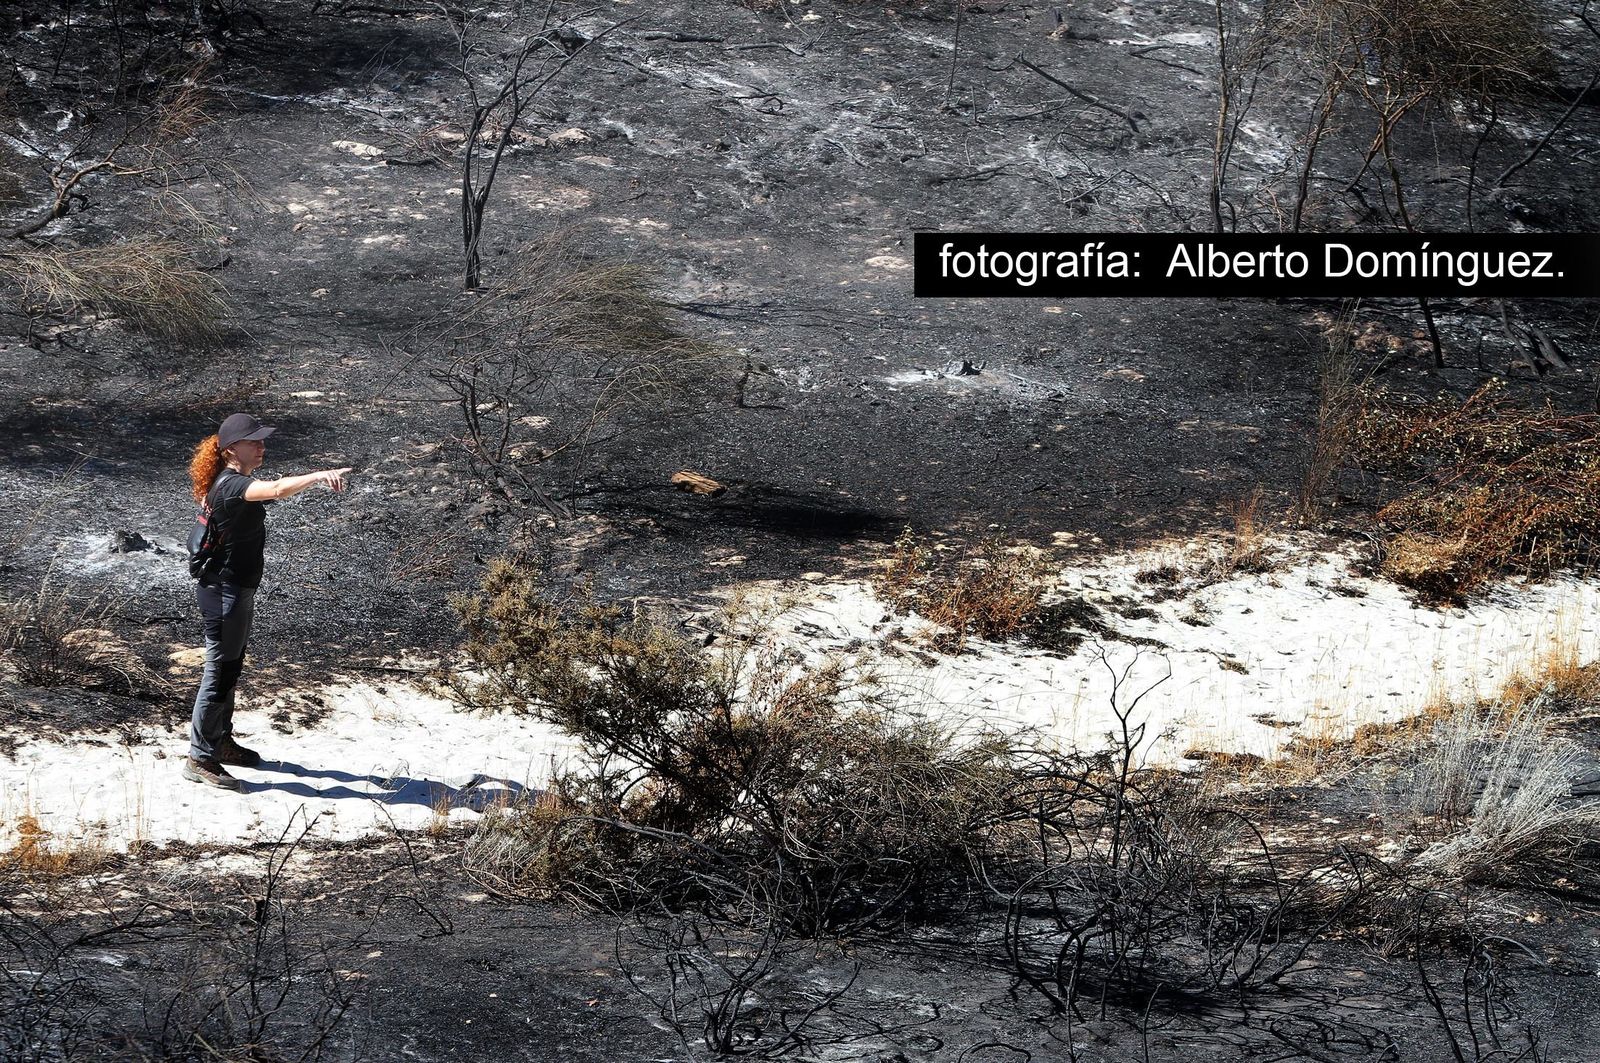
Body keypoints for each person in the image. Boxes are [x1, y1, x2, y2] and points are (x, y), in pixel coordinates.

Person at [183, 413, 353, 790]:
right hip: (224, 592)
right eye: (253, 441)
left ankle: (219, 741)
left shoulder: (230, 480)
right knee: (219, 671)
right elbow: (275, 489)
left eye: (262, 440)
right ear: (231, 449)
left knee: (230, 667)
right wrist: (318, 475)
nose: (261, 446)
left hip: (233, 589)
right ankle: (199, 757)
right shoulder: (232, 484)